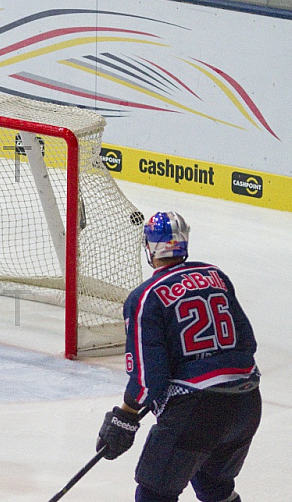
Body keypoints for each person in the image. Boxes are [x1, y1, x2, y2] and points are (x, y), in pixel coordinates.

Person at [96, 212, 261, 502]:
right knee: (214, 487)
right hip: (246, 404)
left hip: (197, 411)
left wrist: (124, 417)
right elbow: (246, 342)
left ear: (149, 248)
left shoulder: (145, 297)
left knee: (154, 494)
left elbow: (149, 380)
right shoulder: (216, 275)